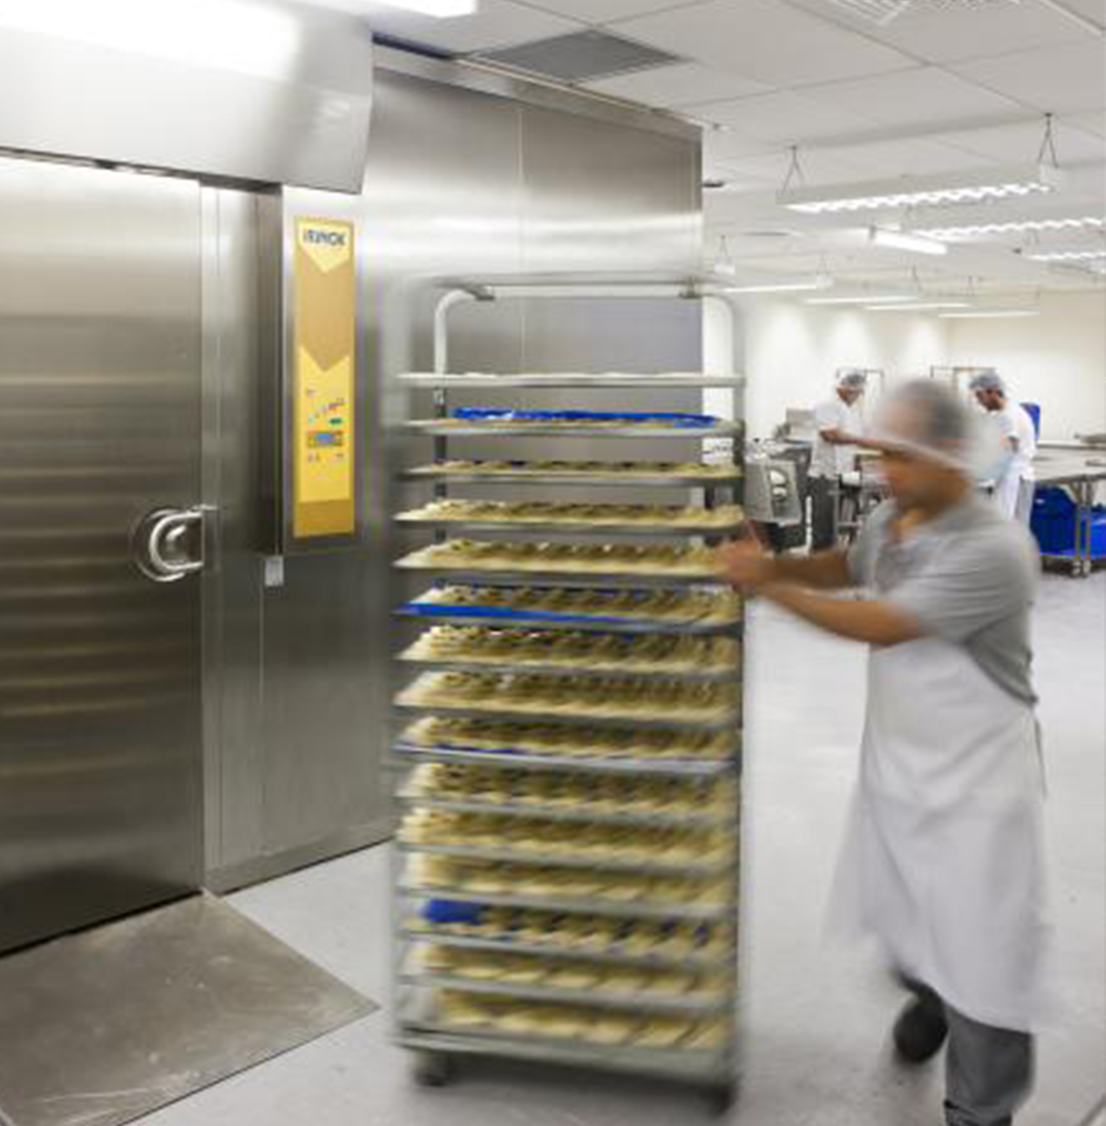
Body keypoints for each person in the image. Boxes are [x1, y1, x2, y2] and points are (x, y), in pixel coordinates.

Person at [718, 380, 1048, 1126]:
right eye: (883, 454)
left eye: (901, 456)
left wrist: (766, 588)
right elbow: (848, 568)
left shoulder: (996, 548)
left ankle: (981, 1107)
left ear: (951, 458)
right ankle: (930, 991)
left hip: (981, 777)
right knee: (903, 911)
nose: (886, 471)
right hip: (903, 758)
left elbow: (885, 622)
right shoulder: (898, 520)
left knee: (983, 944)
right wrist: (777, 564)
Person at [810, 370, 868, 551]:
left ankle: (841, 558)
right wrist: (863, 441)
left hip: (849, 473)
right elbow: (830, 435)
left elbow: (855, 441)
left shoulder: (853, 409)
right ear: (847, 389)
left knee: (847, 520)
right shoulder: (826, 405)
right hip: (826, 474)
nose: (859, 396)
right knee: (825, 524)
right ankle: (818, 564)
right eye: (858, 392)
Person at [968, 371, 1037, 524]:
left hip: (1015, 479)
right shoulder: (1001, 413)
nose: (979, 402)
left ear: (993, 392)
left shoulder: (1011, 414)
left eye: (980, 396)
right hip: (1008, 478)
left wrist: (982, 476)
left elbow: (1008, 449)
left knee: (1013, 530)